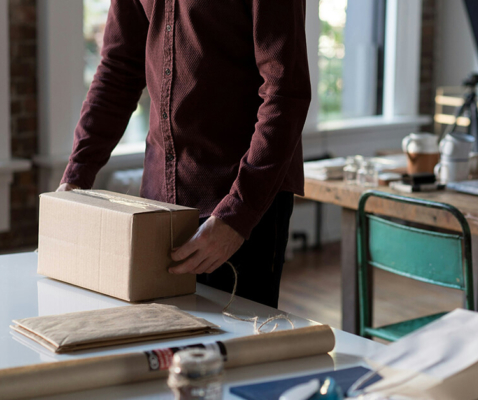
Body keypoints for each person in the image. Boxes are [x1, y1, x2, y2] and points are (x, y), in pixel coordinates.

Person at [58, 0, 311, 309]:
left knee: (234, 351)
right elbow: (119, 70)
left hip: (241, 202)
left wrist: (237, 215)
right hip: (158, 203)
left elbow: (285, 92)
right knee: (160, 347)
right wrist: (75, 178)